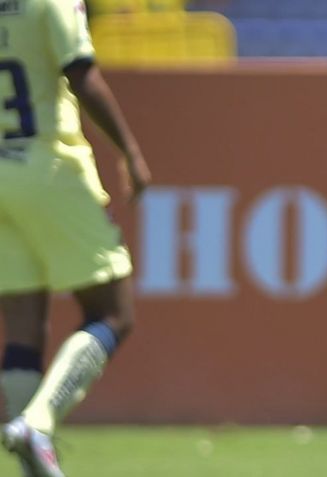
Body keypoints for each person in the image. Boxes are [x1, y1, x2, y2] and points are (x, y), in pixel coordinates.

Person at [0, 0, 151, 475]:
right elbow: (81, 75)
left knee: (23, 327)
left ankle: (31, 459)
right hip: (48, 168)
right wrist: (129, 150)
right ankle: (37, 424)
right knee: (113, 312)